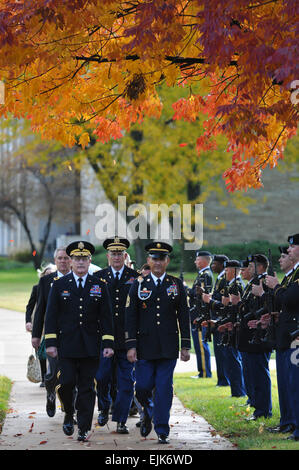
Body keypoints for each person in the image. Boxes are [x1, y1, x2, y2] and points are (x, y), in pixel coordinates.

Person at [44, 240, 114, 442]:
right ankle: (68, 412)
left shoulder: (99, 286)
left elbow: (106, 317)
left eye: (84, 258)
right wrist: (51, 343)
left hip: (91, 347)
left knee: (86, 387)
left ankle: (83, 427)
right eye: (76, 258)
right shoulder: (59, 285)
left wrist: (108, 344)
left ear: (89, 261)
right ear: (71, 261)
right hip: (66, 346)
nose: (80, 262)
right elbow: (51, 316)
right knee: (66, 383)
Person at [125, 241, 191, 444]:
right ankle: (148, 412)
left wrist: (185, 345)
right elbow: (130, 316)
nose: (158, 262)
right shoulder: (138, 284)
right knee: (143, 387)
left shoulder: (176, 284)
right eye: (154, 258)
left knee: (164, 388)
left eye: (161, 258)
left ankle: (162, 429)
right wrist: (131, 345)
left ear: (167, 260)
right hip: (145, 346)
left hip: (168, 347)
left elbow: (184, 315)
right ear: (148, 260)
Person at [94, 237, 139, 434]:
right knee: (102, 378)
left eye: (120, 254)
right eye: (113, 254)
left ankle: (121, 420)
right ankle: (104, 407)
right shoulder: (98, 277)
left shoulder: (135, 277)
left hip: (126, 339)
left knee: (126, 382)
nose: (117, 257)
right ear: (108, 256)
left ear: (125, 256)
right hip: (104, 338)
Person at [265, 234, 299, 441]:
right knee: (289, 384)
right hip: (288, 336)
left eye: (293, 246)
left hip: (295, 338)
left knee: (295, 384)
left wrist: (275, 287)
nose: (288, 250)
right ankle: (292, 423)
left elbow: (290, 299)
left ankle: (295, 425)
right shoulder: (293, 276)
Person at [32, 248, 72, 417]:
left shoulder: (77, 279)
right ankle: (50, 394)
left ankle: (70, 408)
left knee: (71, 375)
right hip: (52, 336)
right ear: (55, 261)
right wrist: (35, 335)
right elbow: (40, 309)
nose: (63, 261)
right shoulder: (47, 281)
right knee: (53, 373)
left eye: (66, 258)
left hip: (73, 336)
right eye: (60, 258)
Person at [25, 263, 56, 386]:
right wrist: (28, 322)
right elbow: (30, 306)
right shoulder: (37, 288)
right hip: (40, 324)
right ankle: (44, 377)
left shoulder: (60, 285)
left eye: (52, 273)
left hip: (52, 323)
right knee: (41, 352)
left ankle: (52, 375)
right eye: (47, 274)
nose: (50, 276)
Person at [187, 251, 213, 379]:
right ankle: (202, 371)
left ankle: (204, 373)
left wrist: (185, 289)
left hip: (200, 314)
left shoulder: (205, 275)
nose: (195, 262)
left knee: (201, 345)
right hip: (196, 314)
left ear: (203, 261)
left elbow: (200, 295)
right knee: (198, 344)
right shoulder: (202, 274)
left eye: (197, 259)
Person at [210, 254, 230, 387]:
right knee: (219, 352)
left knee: (223, 353)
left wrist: (209, 300)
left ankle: (224, 380)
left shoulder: (224, 278)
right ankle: (222, 379)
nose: (212, 266)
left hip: (221, 319)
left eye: (215, 263)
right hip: (217, 319)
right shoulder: (220, 278)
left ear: (222, 265)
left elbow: (223, 301)